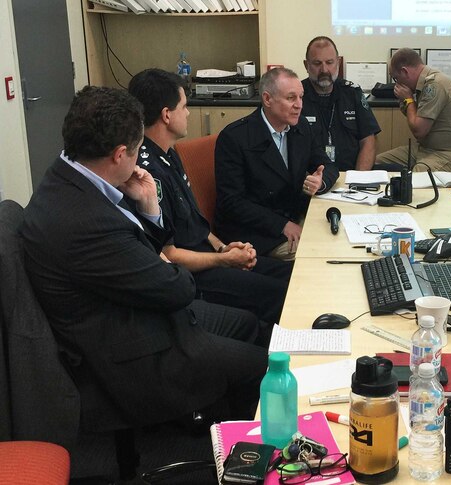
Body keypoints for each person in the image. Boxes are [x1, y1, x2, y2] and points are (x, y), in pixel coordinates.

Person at [18, 86, 267, 427]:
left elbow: (150, 262)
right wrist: (164, 260)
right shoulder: (86, 221)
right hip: (131, 351)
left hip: (134, 309)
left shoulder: (68, 174)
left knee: (249, 324)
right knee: (264, 367)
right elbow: (178, 288)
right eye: (136, 153)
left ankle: (214, 412)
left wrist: (150, 210)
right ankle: (237, 450)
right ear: (120, 154)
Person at [128, 68, 291, 324]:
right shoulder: (148, 174)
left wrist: (223, 246)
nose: (189, 112)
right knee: (281, 295)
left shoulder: (168, 153)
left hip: (210, 256)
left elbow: (195, 225)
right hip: (194, 275)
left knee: (293, 275)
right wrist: (223, 259)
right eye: (184, 106)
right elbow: (169, 254)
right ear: (166, 115)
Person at [215, 67, 339, 261]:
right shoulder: (235, 138)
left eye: (301, 97)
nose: (299, 105)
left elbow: (328, 165)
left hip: (293, 215)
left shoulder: (302, 127)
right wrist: (281, 225)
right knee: (318, 255)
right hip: (258, 231)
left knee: (337, 237)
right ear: (267, 99)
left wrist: (320, 181)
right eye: (291, 98)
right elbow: (232, 203)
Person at [375, 47, 451, 172]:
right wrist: (406, 101)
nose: (396, 84)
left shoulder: (434, 85)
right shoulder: (423, 84)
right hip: (426, 149)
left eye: (396, 78)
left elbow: (419, 130)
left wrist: (408, 99)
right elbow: (412, 116)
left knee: (419, 176)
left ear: (405, 71)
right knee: (374, 162)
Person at [302, 36, 381, 171]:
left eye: (329, 62)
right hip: (312, 179)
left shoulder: (352, 92)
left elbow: (368, 140)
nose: (324, 70)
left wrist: (357, 181)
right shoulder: (297, 95)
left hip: (350, 174)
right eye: (317, 63)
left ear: (338, 63)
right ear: (306, 65)